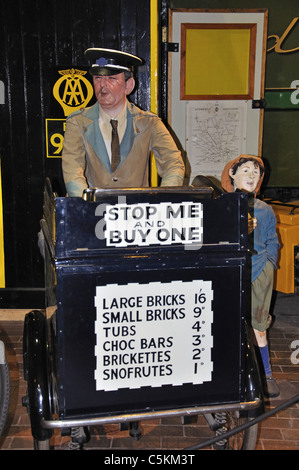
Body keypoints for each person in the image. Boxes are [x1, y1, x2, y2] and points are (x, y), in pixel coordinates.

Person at [62, 48, 185, 197]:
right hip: (92, 213)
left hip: (136, 214)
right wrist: (83, 206)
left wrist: (162, 201)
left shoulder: (149, 123)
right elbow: (72, 171)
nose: (102, 85)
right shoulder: (78, 122)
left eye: (111, 79)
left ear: (129, 85)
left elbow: (174, 164)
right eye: (97, 78)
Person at [221, 154, 280, 398]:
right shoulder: (222, 205)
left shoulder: (264, 210)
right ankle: (226, 372)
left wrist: (268, 265)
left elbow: (273, 241)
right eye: (246, 170)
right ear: (232, 174)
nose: (252, 175)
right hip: (231, 273)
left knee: (258, 328)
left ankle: (266, 373)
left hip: (258, 274)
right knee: (227, 324)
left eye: (256, 172)